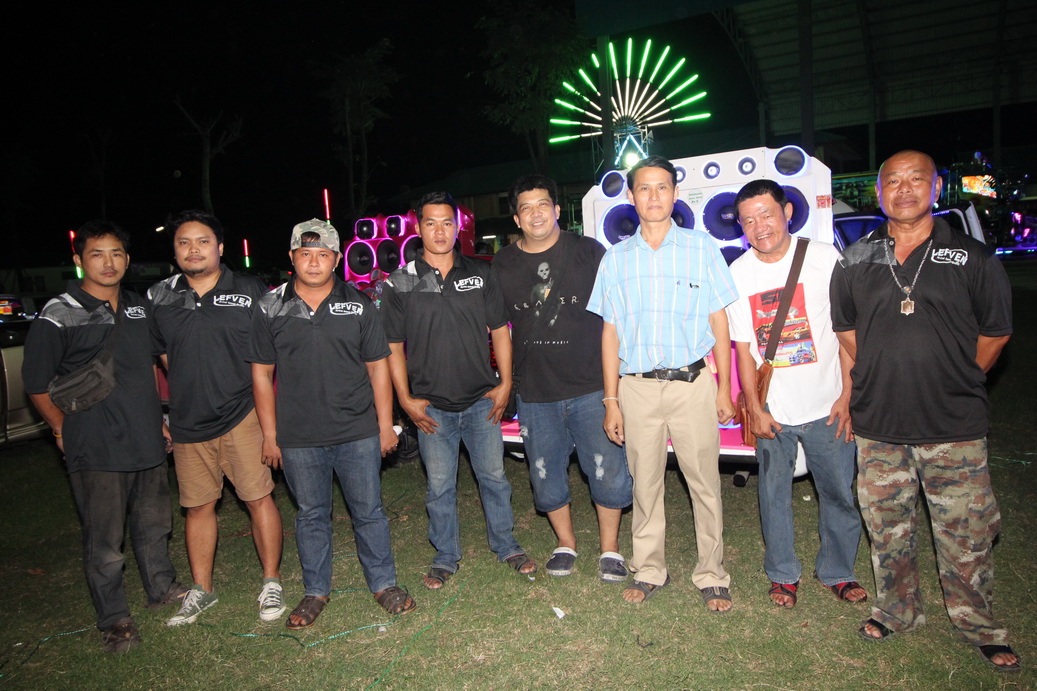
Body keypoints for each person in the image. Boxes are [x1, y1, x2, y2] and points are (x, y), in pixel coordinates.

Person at [830, 150, 1019, 672]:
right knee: (887, 527)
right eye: (893, 181)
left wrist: (960, 376)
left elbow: (996, 331)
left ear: (936, 189)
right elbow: (846, 330)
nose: (905, 189)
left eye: (917, 179)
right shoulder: (855, 260)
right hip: (879, 423)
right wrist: (881, 369)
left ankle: (978, 623)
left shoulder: (972, 257)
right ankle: (896, 610)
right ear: (878, 192)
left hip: (952, 423)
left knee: (966, 531)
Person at [23, 220, 186, 653]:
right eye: (97, 254)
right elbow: (36, 384)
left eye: (116, 254)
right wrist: (60, 428)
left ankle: (161, 588)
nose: (108, 262)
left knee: (154, 524)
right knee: (105, 539)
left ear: (127, 260)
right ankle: (114, 619)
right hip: (95, 444)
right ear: (79, 261)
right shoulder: (58, 314)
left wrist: (160, 421)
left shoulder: (137, 307)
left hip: (146, 438)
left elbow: (145, 367)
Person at [587, 155, 737, 610]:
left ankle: (711, 573)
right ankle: (650, 568)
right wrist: (611, 399)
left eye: (662, 187)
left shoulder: (701, 247)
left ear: (675, 193)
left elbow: (720, 320)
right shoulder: (615, 259)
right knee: (645, 483)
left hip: (693, 383)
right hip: (636, 388)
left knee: (704, 483)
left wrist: (724, 388)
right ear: (631, 197)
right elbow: (609, 332)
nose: (653, 196)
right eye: (644, 188)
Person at [249, 219, 415, 629]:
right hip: (299, 435)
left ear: (337, 259)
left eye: (323, 254)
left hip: (357, 430)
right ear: (292, 258)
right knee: (310, 515)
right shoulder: (270, 306)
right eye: (305, 254)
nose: (313, 262)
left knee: (369, 511)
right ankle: (315, 591)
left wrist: (385, 425)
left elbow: (378, 367)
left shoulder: (358, 303)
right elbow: (261, 374)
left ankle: (384, 584)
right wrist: (270, 435)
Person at [381, 191, 536, 589]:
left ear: (458, 226)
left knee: (495, 479)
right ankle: (445, 556)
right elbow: (392, 346)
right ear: (418, 228)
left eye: (447, 222)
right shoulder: (400, 282)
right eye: (431, 223)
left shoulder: (480, 273)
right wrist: (405, 399)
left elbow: (500, 330)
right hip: (431, 408)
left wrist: (505, 384)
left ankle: (506, 545)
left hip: (481, 401)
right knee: (439, 487)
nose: (439, 231)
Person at [726, 179, 865, 608]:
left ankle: (838, 571)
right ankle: (782, 574)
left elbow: (846, 334)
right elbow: (744, 351)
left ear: (787, 212)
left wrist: (847, 396)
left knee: (839, 493)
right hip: (775, 409)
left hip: (829, 404)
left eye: (766, 214)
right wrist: (755, 407)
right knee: (773, 497)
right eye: (748, 221)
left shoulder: (824, 258)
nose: (759, 226)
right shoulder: (738, 273)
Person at [491, 174, 633, 581]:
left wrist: (615, 388)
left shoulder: (588, 251)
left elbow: (615, 315)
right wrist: (505, 381)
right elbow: (498, 328)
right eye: (526, 208)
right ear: (517, 218)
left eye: (543, 205)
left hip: (591, 385)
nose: (535, 214)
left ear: (556, 210)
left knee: (607, 469)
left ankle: (610, 550)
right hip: (536, 390)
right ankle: (565, 543)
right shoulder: (503, 264)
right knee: (544, 472)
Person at [148, 210, 285, 626]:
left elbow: (269, 351)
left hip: (243, 413)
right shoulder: (159, 296)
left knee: (257, 497)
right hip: (188, 421)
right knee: (197, 506)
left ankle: (271, 581)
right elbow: (161, 354)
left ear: (220, 248)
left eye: (203, 241)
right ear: (175, 251)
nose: (194, 249)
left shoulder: (248, 289)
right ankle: (202, 589)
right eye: (184, 243)